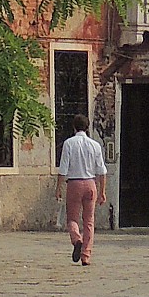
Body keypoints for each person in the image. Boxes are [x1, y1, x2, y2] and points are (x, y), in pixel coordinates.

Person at [56, 113, 108, 267]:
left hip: (74, 184)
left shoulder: (69, 143)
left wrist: (58, 187)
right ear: (87, 127)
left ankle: (76, 240)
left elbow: (63, 169)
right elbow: (102, 171)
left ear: (74, 127)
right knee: (89, 221)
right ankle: (86, 255)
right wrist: (103, 191)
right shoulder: (95, 145)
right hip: (91, 184)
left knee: (72, 219)